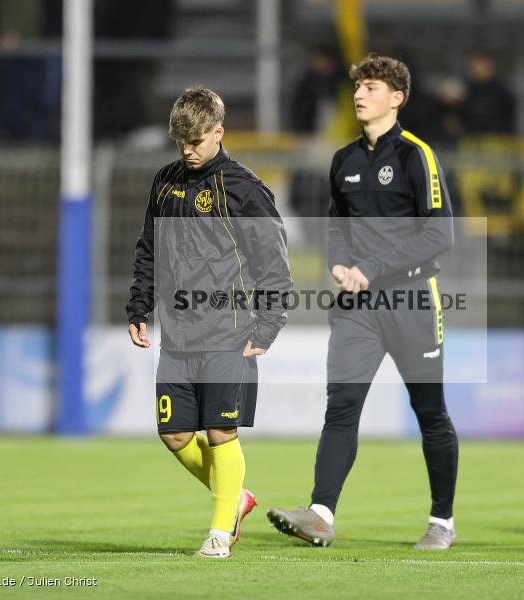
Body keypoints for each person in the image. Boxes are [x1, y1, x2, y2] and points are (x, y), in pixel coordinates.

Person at [267, 54, 459, 550]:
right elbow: (338, 227)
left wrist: (372, 267)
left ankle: (442, 521)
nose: (358, 94)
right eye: (357, 86)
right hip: (358, 307)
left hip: (413, 298)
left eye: (371, 87)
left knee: (430, 411)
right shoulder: (343, 160)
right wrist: (339, 262)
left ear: (396, 98)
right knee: (342, 406)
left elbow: (441, 234)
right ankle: (320, 514)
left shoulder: (417, 156)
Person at [126, 87, 292, 558]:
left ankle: (220, 534)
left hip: (229, 330)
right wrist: (139, 307)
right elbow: (148, 250)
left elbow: (273, 261)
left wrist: (268, 324)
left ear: (218, 132)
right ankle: (234, 496)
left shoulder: (244, 189)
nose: (187, 149)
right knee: (174, 434)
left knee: (221, 432)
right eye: (180, 141)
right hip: (177, 333)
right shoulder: (165, 181)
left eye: (196, 140)